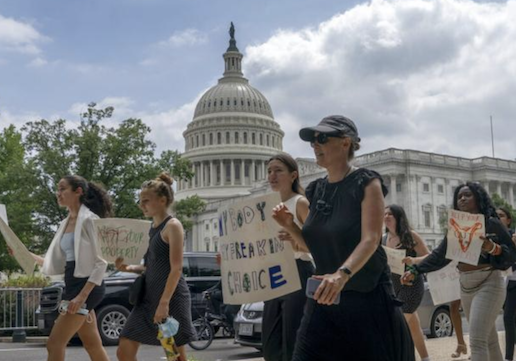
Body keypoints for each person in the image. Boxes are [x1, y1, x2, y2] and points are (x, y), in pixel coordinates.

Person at [273, 115, 415, 361]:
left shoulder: (367, 182)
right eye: (313, 140)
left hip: (365, 294)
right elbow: (317, 247)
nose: (315, 145)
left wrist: (342, 274)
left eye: (322, 138)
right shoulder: (316, 189)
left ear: (345, 142)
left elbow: (370, 239)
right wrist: (292, 228)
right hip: (324, 295)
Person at [403, 182, 516, 361]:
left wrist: (493, 248)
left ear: (478, 198)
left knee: (477, 341)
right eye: (459, 196)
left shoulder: (491, 222)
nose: (462, 199)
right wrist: (415, 270)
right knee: (490, 341)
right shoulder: (456, 228)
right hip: (466, 286)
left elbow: (511, 253)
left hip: (489, 283)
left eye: (467, 195)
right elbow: (440, 255)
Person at [21, 175, 111, 361]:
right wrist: (23, 253)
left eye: (62, 189)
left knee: (54, 343)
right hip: (73, 286)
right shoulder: (64, 223)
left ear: (78, 191)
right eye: (58, 189)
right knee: (93, 345)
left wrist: (81, 297)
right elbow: (54, 262)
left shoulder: (89, 220)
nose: (58, 193)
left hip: (86, 288)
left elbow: (102, 262)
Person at [116, 173, 195, 361]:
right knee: (124, 350)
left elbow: (176, 269)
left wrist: (164, 303)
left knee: (174, 355)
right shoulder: (150, 229)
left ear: (162, 200)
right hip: (147, 299)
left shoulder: (173, 226)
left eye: (146, 201)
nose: (141, 205)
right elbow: (151, 267)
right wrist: (127, 268)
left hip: (170, 299)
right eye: (140, 200)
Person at [264, 153, 315, 361]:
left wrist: (293, 238)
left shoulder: (300, 203)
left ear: (293, 175)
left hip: (298, 270)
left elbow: (316, 245)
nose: (272, 176)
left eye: (278, 170)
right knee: (270, 342)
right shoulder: (267, 206)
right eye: (269, 171)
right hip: (274, 273)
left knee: (292, 338)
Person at [384, 205, 431, 361]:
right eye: (384, 214)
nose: (386, 217)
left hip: (412, 285)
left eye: (390, 214)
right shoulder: (383, 239)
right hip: (393, 286)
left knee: (398, 325)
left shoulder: (410, 236)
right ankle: (426, 358)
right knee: (413, 326)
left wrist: (413, 261)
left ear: (398, 217)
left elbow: (428, 257)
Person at [498, 207, 516, 361]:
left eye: (501, 216)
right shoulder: (496, 238)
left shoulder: (512, 235)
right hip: (508, 283)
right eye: (496, 216)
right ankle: (508, 357)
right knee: (508, 318)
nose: (498, 219)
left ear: (509, 220)